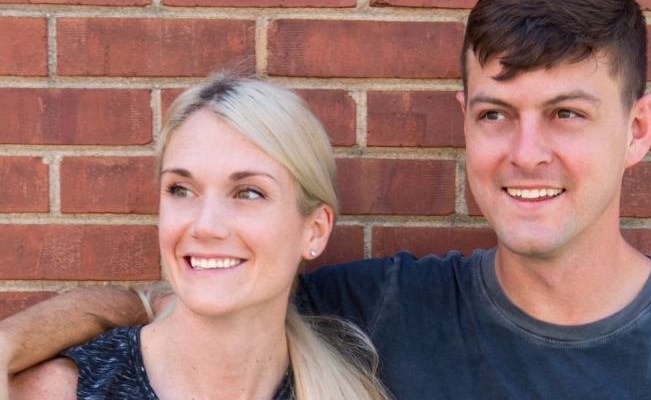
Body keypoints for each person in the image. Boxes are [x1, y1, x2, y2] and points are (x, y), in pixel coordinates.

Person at [3, 0, 651, 399]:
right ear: (464, 121)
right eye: (496, 114)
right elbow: (188, 298)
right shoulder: (380, 310)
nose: (526, 153)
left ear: (638, 128)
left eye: (565, 114)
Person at [6, 75, 390, 399]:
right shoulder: (61, 391)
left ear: (315, 230)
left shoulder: (349, 390)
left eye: (248, 193)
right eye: (181, 189)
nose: (205, 225)